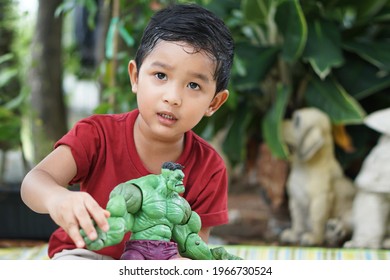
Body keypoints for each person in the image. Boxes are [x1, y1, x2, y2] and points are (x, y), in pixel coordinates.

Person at [20, 3, 234, 260]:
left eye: (193, 85)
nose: (173, 97)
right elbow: (34, 181)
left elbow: (194, 247)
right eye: (161, 75)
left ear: (214, 102)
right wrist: (58, 199)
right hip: (85, 256)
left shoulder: (209, 167)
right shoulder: (97, 135)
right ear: (135, 77)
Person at [82, 161, 241, 260]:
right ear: (166, 175)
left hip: (168, 253)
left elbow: (188, 239)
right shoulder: (141, 190)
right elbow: (120, 217)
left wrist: (213, 259)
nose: (181, 182)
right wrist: (104, 234)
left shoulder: (180, 204)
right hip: (139, 250)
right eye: (177, 178)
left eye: (182, 178)